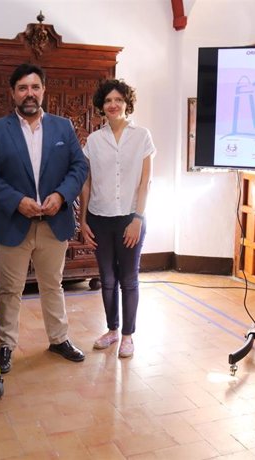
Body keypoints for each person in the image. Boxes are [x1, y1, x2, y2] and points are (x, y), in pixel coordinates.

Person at [0, 63, 89, 373]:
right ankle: (7, 346)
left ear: (43, 91)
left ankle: (59, 338)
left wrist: (62, 195)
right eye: (23, 88)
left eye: (35, 87)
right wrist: (17, 201)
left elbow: (78, 167)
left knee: (53, 285)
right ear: (13, 93)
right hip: (14, 223)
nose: (30, 93)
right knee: (11, 290)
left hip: (55, 223)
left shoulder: (63, 127)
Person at [79, 79, 155, 359]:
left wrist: (138, 218)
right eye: (108, 101)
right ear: (102, 105)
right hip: (100, 218)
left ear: (127, 104)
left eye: (118, 100)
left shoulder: (142, 136)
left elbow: (145, 182)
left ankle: (127, 336)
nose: (113, 105)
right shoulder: (94, 140)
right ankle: (112, 330)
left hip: (130, 219)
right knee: (107, 278)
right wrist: (83, 219)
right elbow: (86, 182)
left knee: (128, 278)